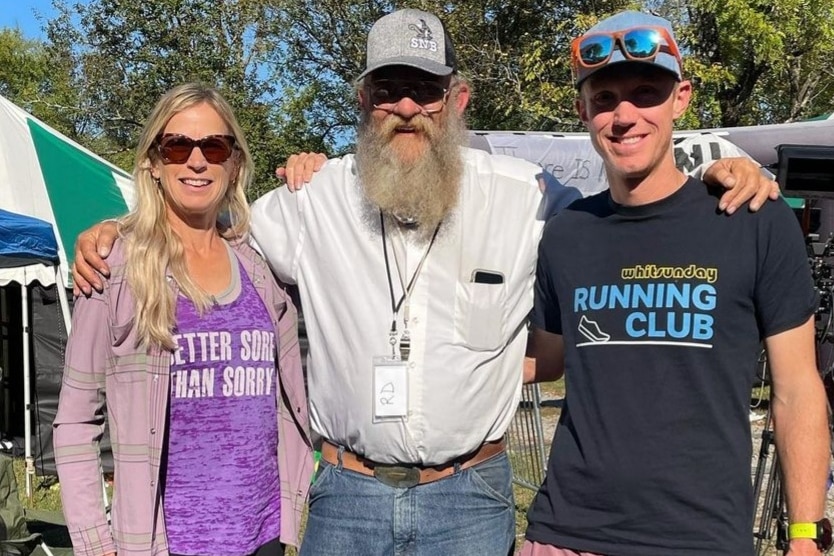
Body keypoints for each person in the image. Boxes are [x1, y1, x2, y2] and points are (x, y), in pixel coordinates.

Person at [72, 9, 777, 556]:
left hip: (469, 498)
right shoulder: (312, 200)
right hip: (347, 496)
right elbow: (202, 226)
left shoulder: (529, 195)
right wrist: (119, 228)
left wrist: (724, 171)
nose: (407, 107)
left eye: (425, 90)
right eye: (389, 89)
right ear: (363, 99)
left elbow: (632, 207)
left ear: (456, 97)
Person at [522, 11, 830, 556]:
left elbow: (797, 389)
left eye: (646, 93)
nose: (624, 115)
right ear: (582, 111)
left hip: (702, 537)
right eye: (605, 98)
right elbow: (545, 360)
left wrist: (803, 535)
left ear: (680, 98)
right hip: (567, 532)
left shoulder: (752, 218)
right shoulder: (567, 233)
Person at [53, 83, 313, 556]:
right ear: (153, 162)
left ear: (234, 162)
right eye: (177, 146)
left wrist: (318, 171)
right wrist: (96, 545)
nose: (197, 161)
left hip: (263, 538)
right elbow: (73, 422)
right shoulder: (115, 268)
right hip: (163, 544)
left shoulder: (260, 261)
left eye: (214, 146)